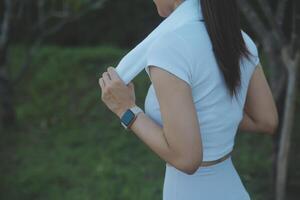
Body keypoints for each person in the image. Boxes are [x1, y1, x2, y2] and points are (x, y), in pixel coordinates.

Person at [98, 0, 279, 199]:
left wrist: (126, 110)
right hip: (233, 189)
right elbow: (265, 120)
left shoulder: (169, 48)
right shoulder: (239, 39)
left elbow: (187, 159)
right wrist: (204, 112)